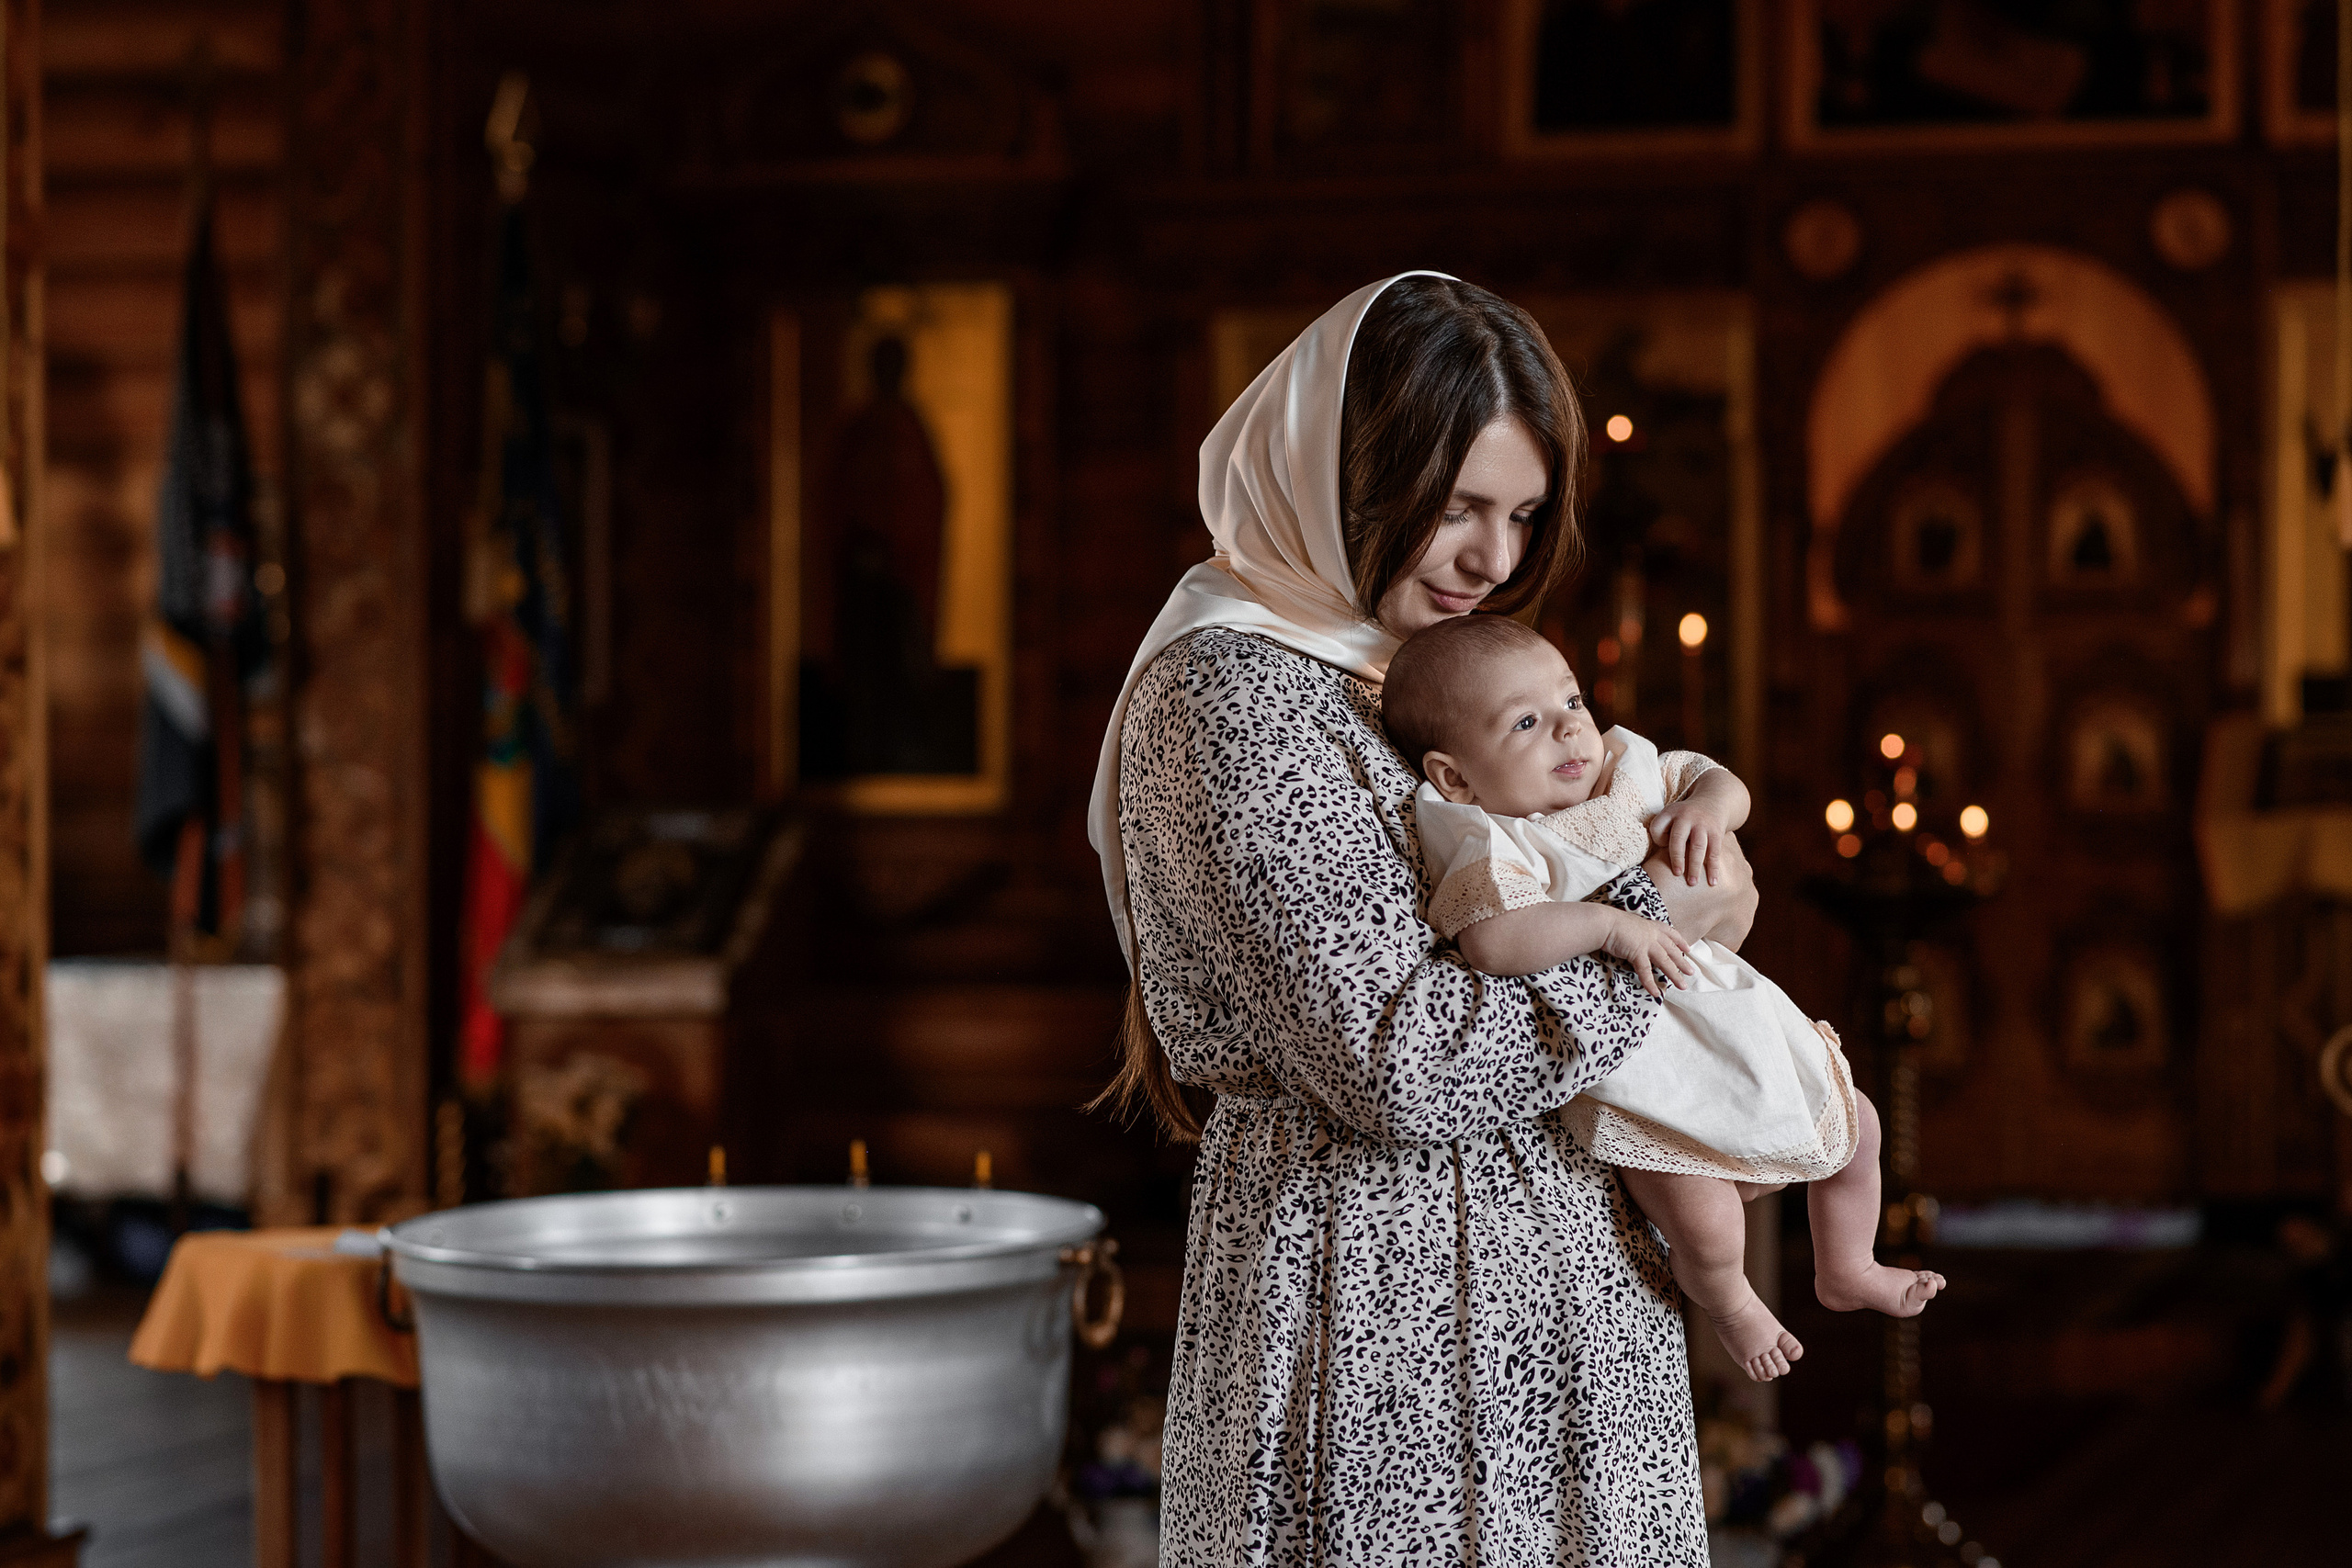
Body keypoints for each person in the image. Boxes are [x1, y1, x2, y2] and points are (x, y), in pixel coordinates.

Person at [1090, 273, 1749, 1563]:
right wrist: (1658, 924)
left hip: (1557, 1283)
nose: (1495, 562)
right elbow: (1400, 1059)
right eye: (1455, 508)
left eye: (1521, 515)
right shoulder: (1234, 693)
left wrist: (1677, 866)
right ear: (1340, 472)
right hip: (1378, 1300)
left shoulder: (1408, 673)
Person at [1383, 614, 1945, 1384]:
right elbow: (1492, 941)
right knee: (1704, 1215)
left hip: (1726, 1014)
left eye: (1571, 701)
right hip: (1640, 1067)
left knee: (1860, 1124)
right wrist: (1611, 924)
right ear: (1455, 777)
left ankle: (1848, 1264)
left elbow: (1722, 781)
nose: (1569, 729)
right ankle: (1731, 1300)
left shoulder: (1627, 771)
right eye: (1526, 722)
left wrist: (1707, 809)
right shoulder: (1493, 841)